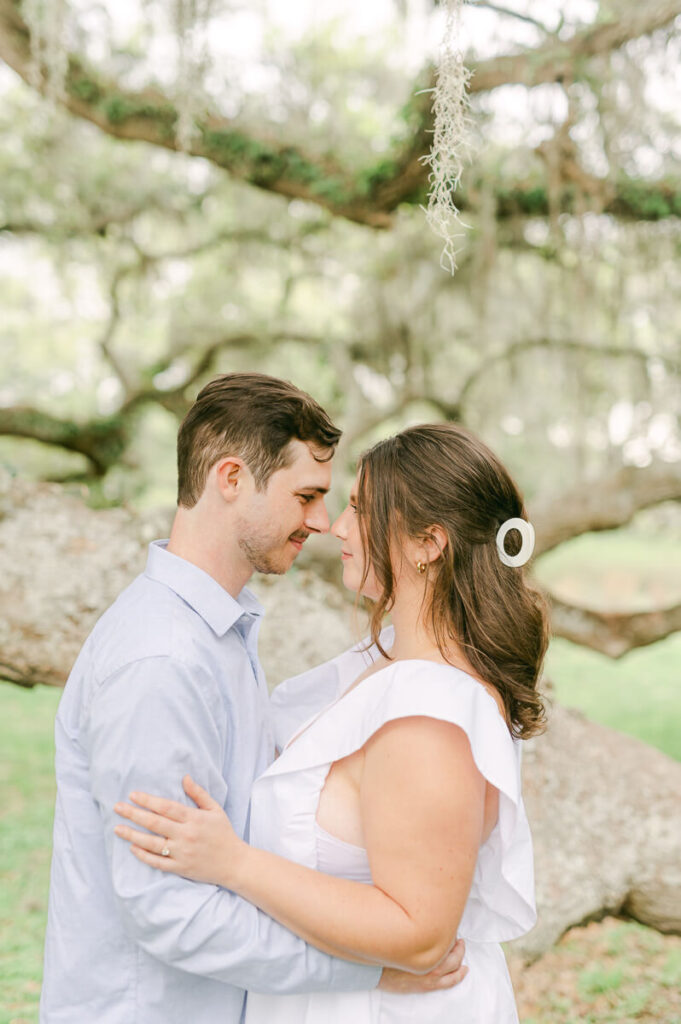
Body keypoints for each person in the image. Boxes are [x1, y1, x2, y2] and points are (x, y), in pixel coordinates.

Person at [40, 376, 466, 1024]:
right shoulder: (161, 661)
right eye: (306, 496)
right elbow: (169, 910)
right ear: (231, 479)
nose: (322, 523)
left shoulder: (220, 631)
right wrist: (372, 970)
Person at [114, 422, 550, 1023]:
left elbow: (421, 934)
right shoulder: (385, 664)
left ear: (428, 542)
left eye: (358, 508)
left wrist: (234, 863)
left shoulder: (432, 714)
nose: (337, 527)